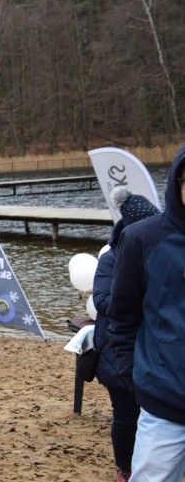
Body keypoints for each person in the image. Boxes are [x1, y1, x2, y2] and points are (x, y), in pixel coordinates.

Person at [107, 144, 185, 482]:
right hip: (164, 403)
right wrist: (136, 380)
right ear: (177, 182)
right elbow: (121, 317)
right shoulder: (141, 239)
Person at [93, 188, 160, 482]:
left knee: (156, 415)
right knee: (125, 414)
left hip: (153, 347)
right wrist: (135, 299)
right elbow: (101, 300)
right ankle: (125, 468)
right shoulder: (111, 258)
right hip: (115, 347)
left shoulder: (163, 252)